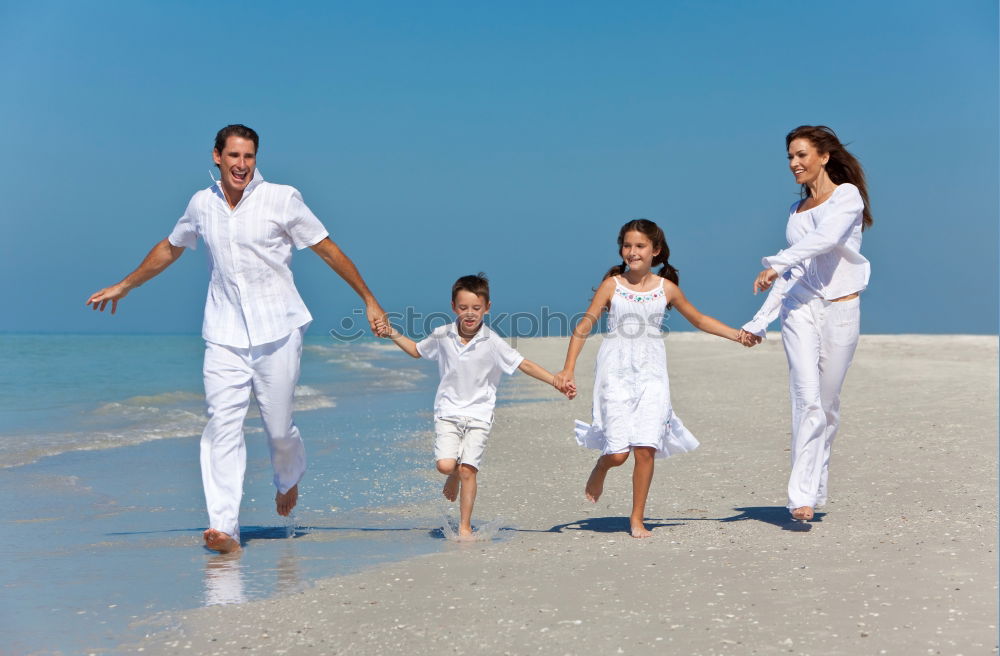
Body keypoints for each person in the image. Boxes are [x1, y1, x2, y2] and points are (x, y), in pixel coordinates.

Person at [86, 124, 387, 553]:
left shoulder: (282, 199)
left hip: (278, 330)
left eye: (248, 157)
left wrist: (369, 299)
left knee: (279, 429)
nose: (241, 165)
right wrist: (126, 284)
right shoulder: (200, 204)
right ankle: (224, 527)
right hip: (224, 333)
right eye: (233, 156)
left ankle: (288, 478)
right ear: (217, 156)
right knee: (222, 424)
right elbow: (170, 248)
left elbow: (327, 249)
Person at [553, 220, 753, 538]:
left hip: (652, 375)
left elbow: (699, 318)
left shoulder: (666, 289)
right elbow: (584, 325)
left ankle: (636, 519)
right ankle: (602, 466)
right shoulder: (612, 285)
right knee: (618, 453)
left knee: (646, 448)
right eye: (628, 245)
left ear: (655, 251)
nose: (633, 252)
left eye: (640, 246)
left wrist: (737, 335)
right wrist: (567, 369)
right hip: (615, 373)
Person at [376, 274, 574, 540]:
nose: (470, 314)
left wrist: (555, 381)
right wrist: (391, 332)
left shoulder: (492, 341)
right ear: (453, 306)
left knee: (469, 469)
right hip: (447, 412)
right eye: (463, 307)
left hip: (479, 414)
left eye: (476, 308)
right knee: (446, 466)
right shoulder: (442, 334)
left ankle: (465, 527)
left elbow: (523, 364)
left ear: (487, 308)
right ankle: (453, 476)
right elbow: (415, 350)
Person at [741, 125, 873, 522]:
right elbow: (796, 270)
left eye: (801, 155)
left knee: (828, 405)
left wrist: (778, 261)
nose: (794, 164)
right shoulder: (794, 213)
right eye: (790, 158)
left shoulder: (846, 197)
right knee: (807, 398)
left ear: (824, 157)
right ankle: (800, 496)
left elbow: (827, 240)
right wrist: (760, 320)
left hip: (840, 310)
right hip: (800, 309)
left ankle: (816, 487)